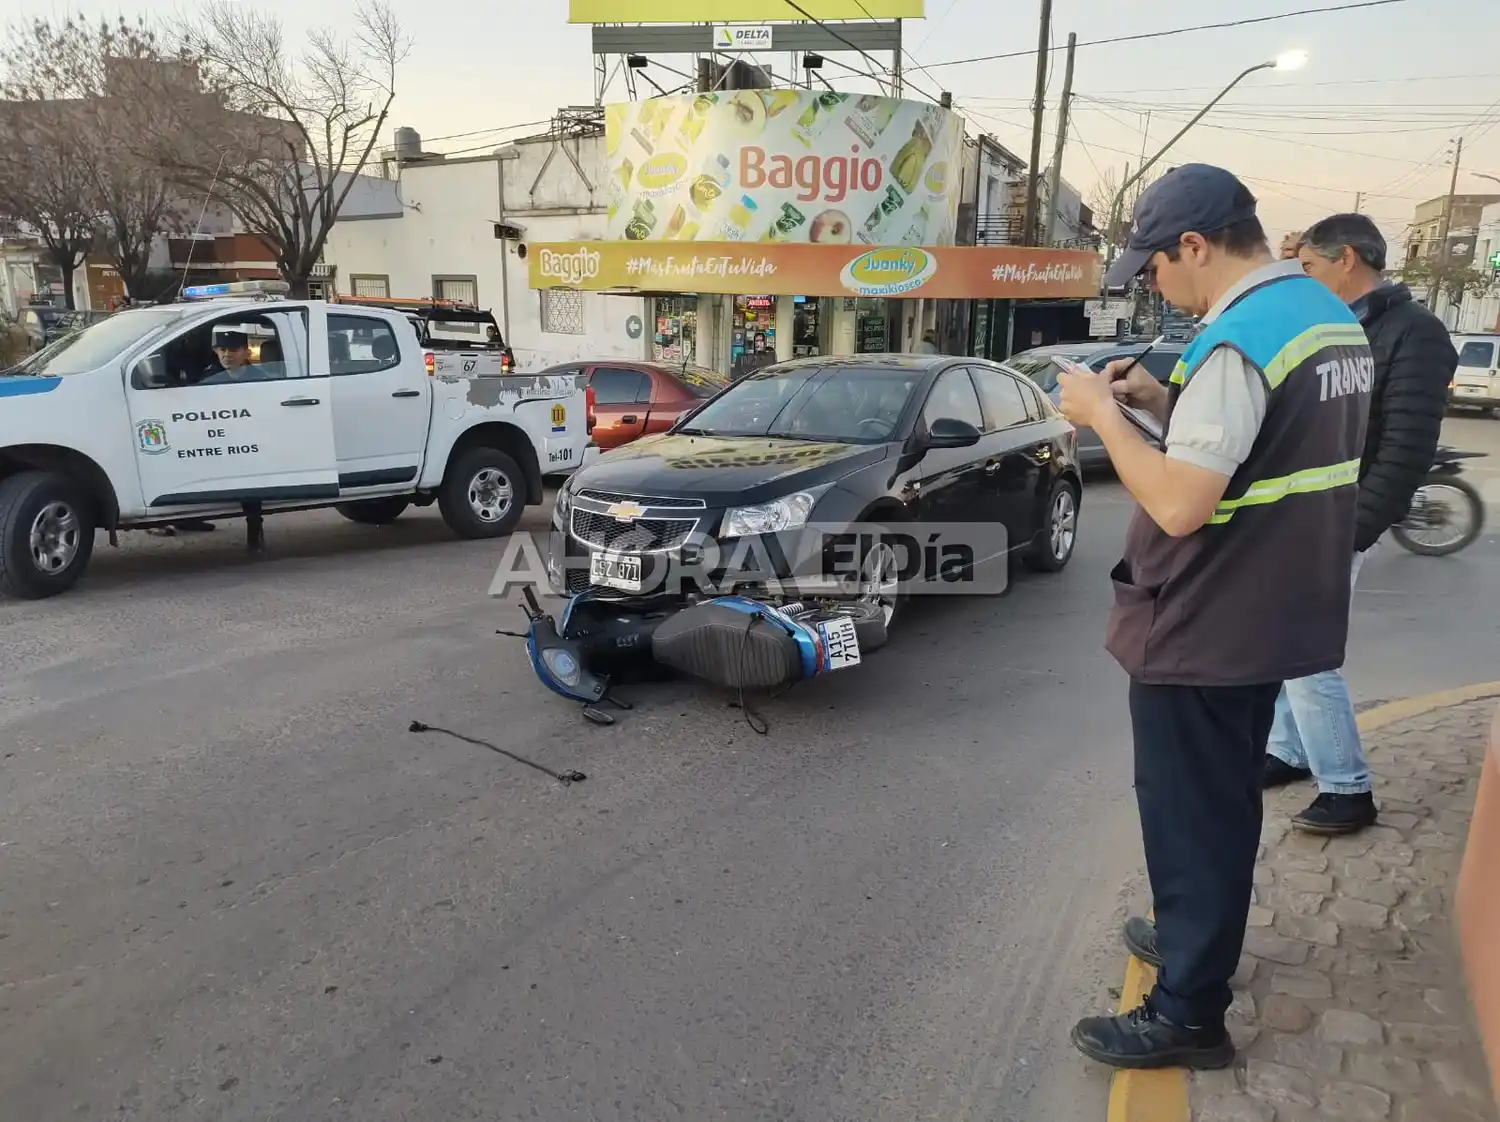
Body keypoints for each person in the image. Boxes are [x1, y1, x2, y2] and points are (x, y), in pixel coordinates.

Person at [1055, 165, 1372, 1070]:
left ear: (1194, 246)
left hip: (1207, 615)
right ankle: (1197, 942)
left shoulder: (1238, 340)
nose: (1153, 285)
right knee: (1223, 804)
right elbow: (1262, 446)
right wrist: (1162, 403)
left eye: (1153, 267)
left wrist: (1100, 417)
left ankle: (1187, 1012)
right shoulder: (1322, 317)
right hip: (1272, 604)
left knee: (1192, 815)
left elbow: (1183, 504)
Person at [1262, 215, 1457, 834]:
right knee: (1285, 645)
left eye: (1312, 267)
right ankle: (1289, 752)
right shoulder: (1336, 327)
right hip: (1304, 513)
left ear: (1346, 259)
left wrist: (1350, 530)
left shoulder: (1412, 333)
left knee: (1304, 650)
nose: (1307, 279)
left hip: (1339, 520)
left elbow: (1405, 449)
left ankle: (1347, 788)